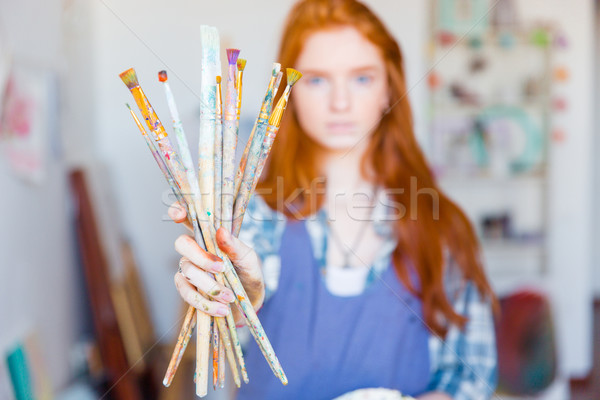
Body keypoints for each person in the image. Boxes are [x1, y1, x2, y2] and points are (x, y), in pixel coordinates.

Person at [169, 0, 498, 398]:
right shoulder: (252, 220)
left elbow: (472, 376)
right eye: (317, 80)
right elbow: (217, 357)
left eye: (361, 78)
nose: (340, 102)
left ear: (389, 87)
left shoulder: (443, 228)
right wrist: (235, 300)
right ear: (287, 92)